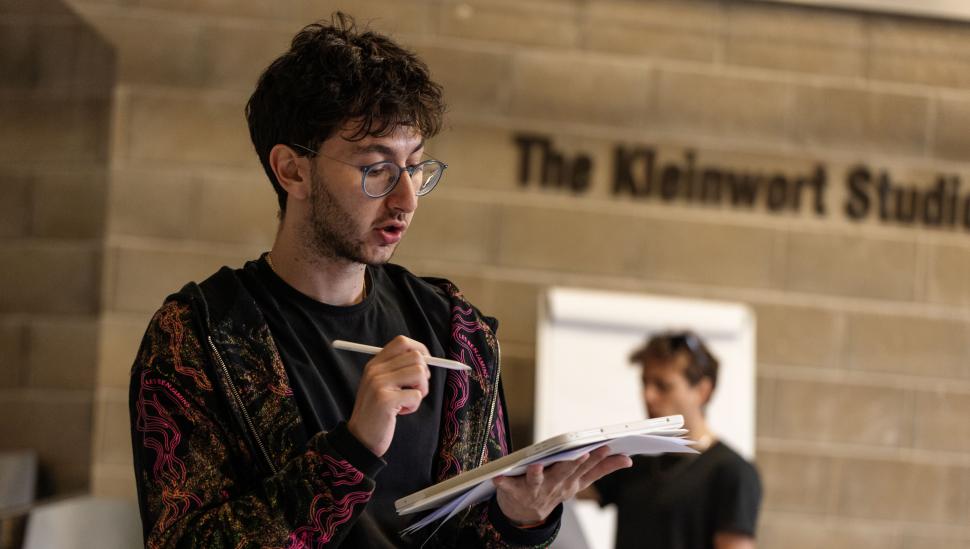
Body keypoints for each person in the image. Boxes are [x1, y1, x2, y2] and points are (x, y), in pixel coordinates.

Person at [128, 13, 631, 548]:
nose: (406, 199)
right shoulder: (200, 337)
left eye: (414, 167)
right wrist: (353, 448)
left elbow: (478, 535)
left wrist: (521, 519)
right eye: (377, 169)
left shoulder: (457, 332)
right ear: (293, 170)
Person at [583, 332, 762, 549]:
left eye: (663, 385)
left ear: (703, 391)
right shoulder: (633, 461)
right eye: (645, 383)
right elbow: (565, 488)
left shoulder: (732, 472)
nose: (648, 395)